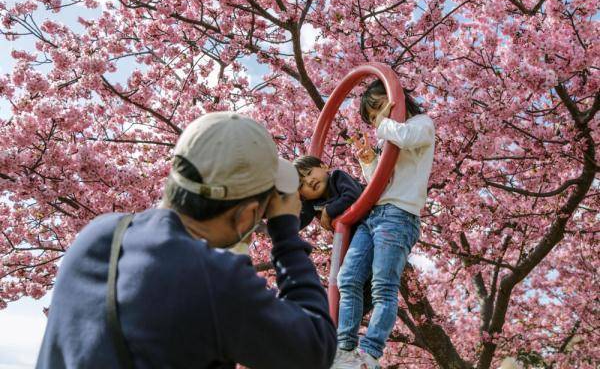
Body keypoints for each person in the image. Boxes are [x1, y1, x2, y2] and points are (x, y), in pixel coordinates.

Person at [36, 112, 337, 369]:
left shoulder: (97, 234)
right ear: (246, 216)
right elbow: (315, 347)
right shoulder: (212, 279)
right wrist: (285, 230)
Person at [331, 80, 435, 369]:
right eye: (372, 114)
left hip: (399, 214)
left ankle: (370, 352)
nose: (377, 116)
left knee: (383, 287)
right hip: (374, 214)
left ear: (396, 98)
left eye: (379, 106)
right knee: (348, 278)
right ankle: (345, 349)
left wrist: (382, 122)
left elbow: (404, 137)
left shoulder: (422, 124)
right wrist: (368, 161)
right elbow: (380, 181)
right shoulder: (388, 134)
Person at [293, 155, 364, 231]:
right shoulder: (313, 205)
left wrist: (328, 211)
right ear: (302, 195)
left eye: (309, 173)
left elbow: (352, 195)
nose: (309, 181)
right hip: (354, 232)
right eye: (301, 185)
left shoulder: (337, 177)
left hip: (371, 216)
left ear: (324, 167)